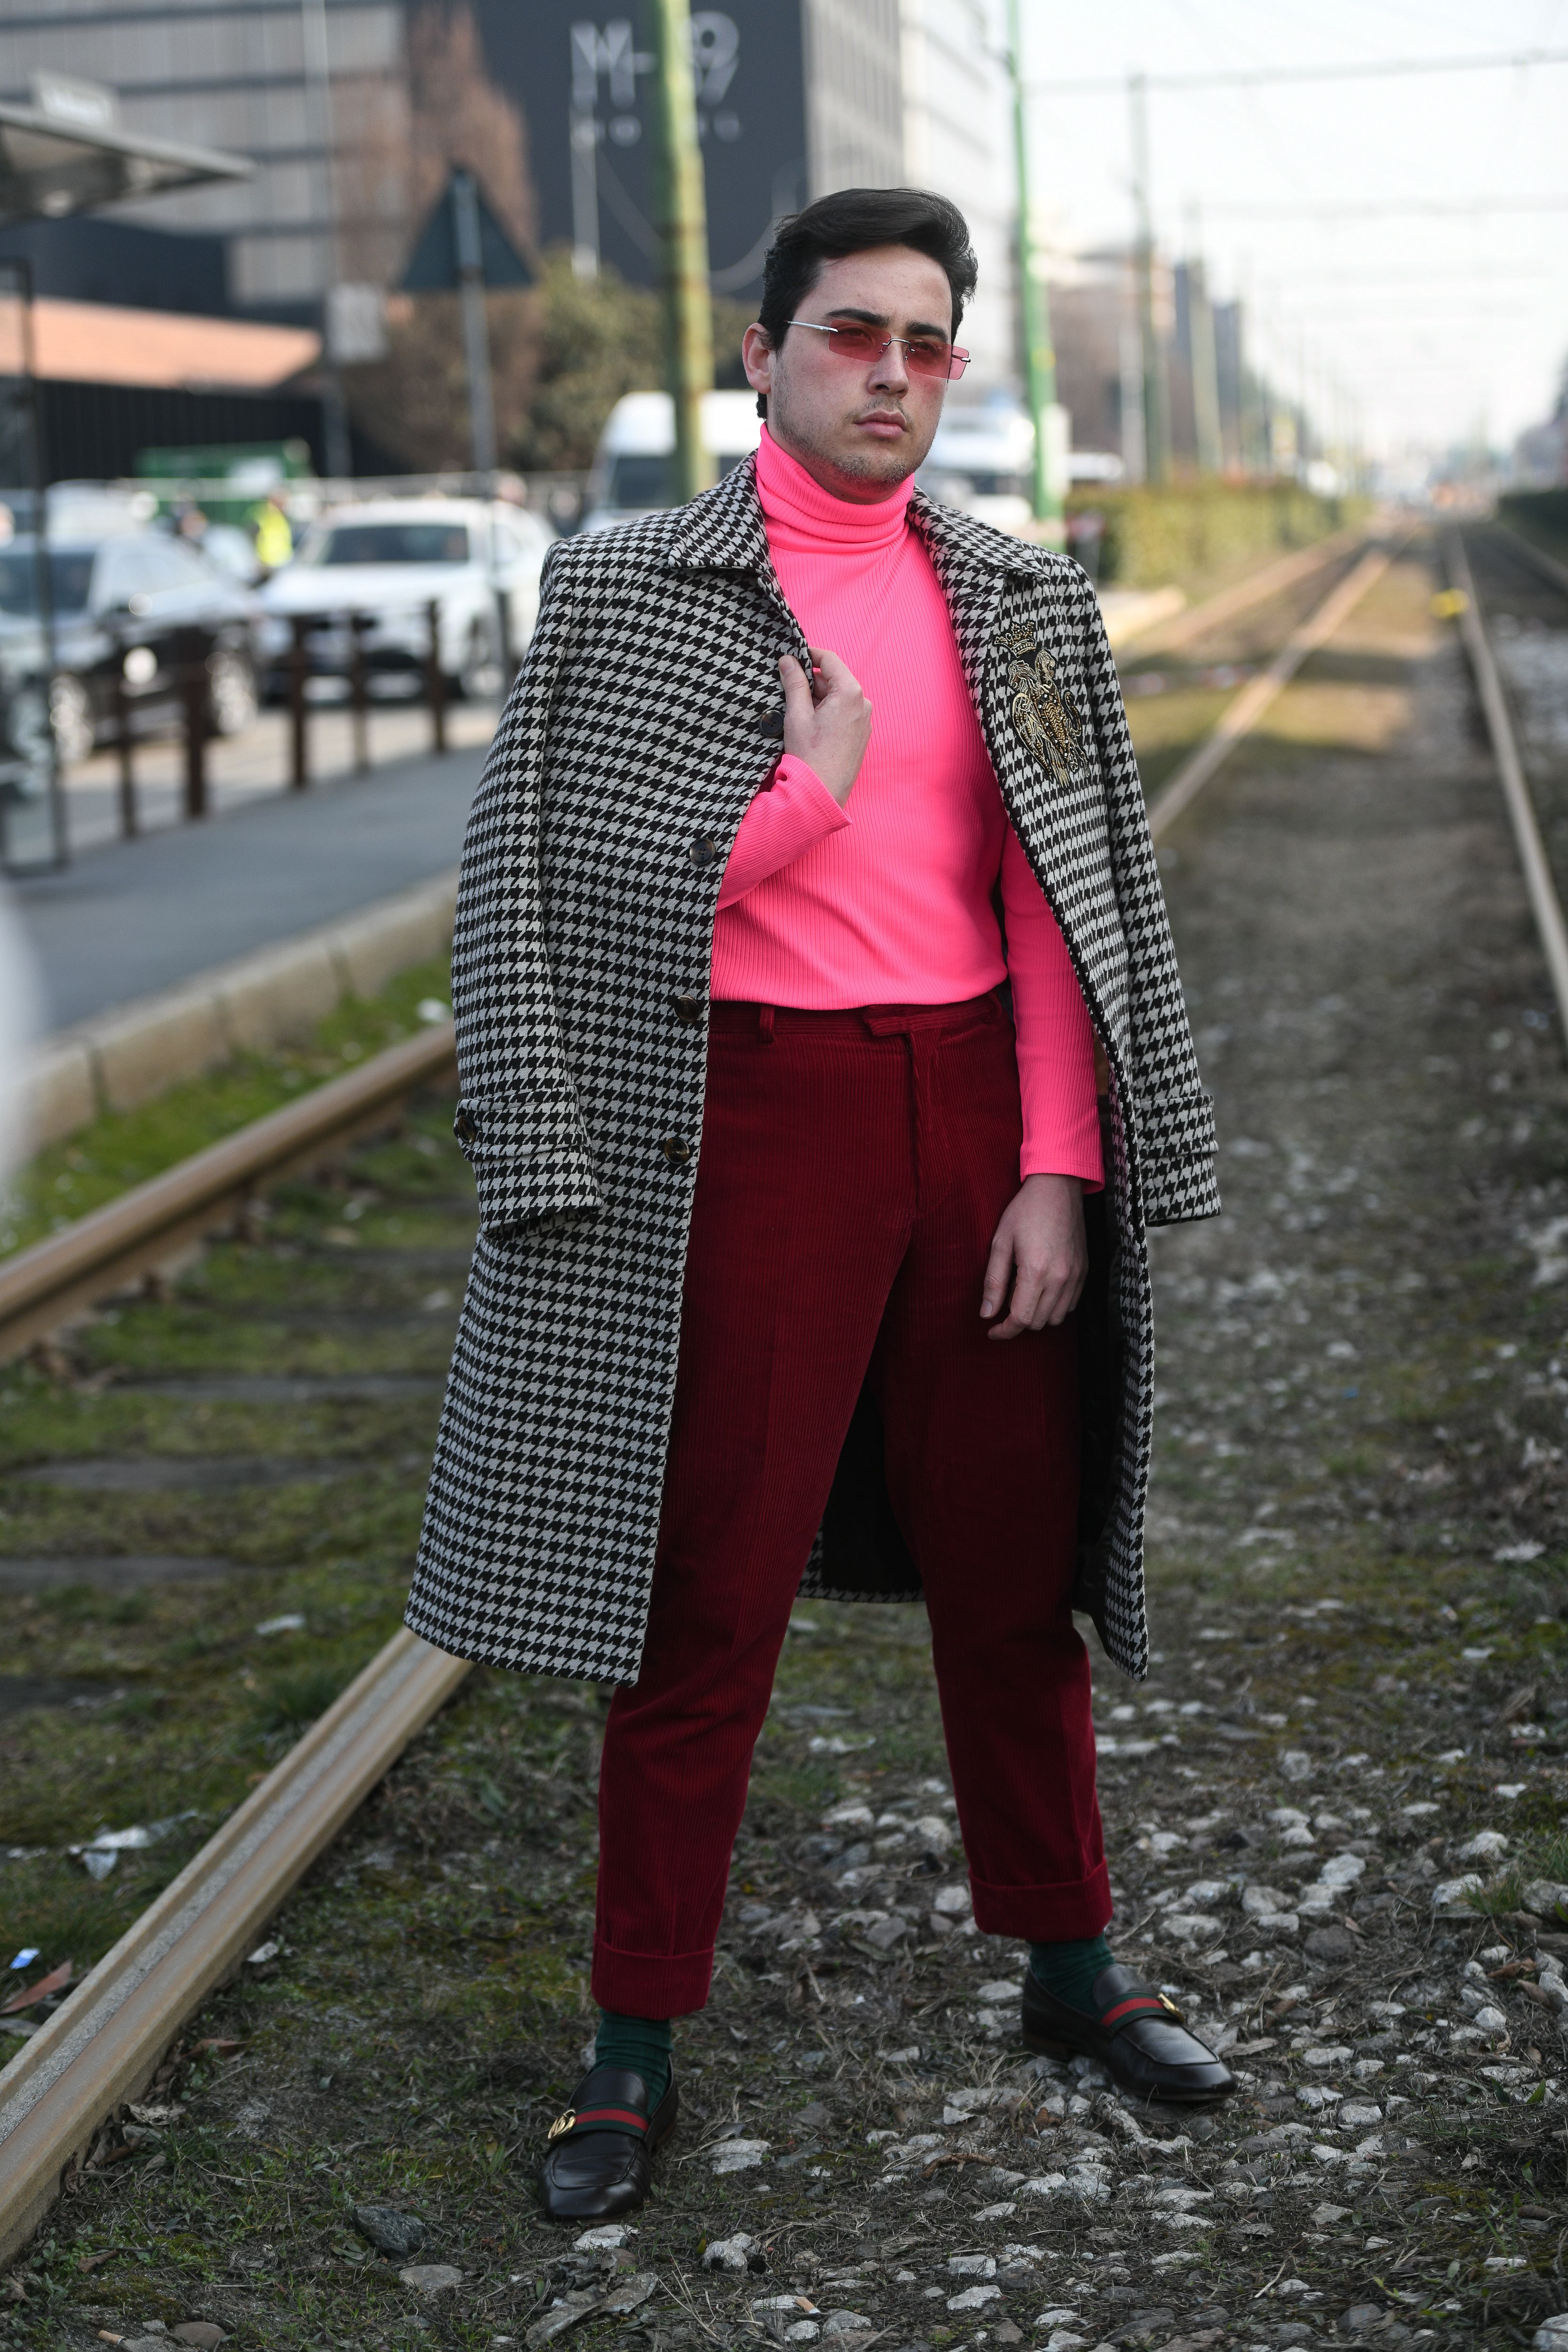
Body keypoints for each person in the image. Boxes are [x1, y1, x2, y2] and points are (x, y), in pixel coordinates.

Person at [404, 187, 1234, 2225]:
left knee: (1015, 1574)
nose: (891, 374)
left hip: (978, 1115)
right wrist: (804, 799)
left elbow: (1056, 910)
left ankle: (1073, 1961)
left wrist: (1060, 1168)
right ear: (763, 354)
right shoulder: (631, 588)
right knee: (704, 1596)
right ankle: (632, 2036)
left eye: (926, 343)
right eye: (852, 333)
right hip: (752, 1121)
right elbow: (565, 898)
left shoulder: (1023, 598)